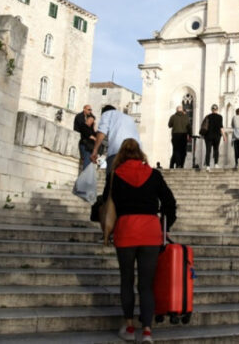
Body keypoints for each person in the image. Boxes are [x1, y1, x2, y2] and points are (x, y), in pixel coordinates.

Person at [107, 139, 176, 343]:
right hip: (150, 232)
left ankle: (129, 327)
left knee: (126, 281)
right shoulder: (154, 174)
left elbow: (105, 204)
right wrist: (166, 226)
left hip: (126, 230)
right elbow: (170, 202)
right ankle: (147, 331)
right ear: (140, 154)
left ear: (121, 155)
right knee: (146, 284)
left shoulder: (114, 176)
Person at [90, 105, 140, 179]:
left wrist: (95, 150)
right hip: (135, 154)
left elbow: (102, 132)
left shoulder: (107, 114)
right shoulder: (129, 118)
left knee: (112, 182)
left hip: (117, 152)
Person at [203, 104, 227, 171]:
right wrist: (224, 136)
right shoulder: (220, 117)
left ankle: (208, 166)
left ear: (211, 109)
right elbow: (221, 127)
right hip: (217, 136)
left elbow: (204, 126)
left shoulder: (208, 116)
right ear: (217, 109)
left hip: (208, 136)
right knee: (216, 150)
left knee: (208, 150)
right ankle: (216, 164)